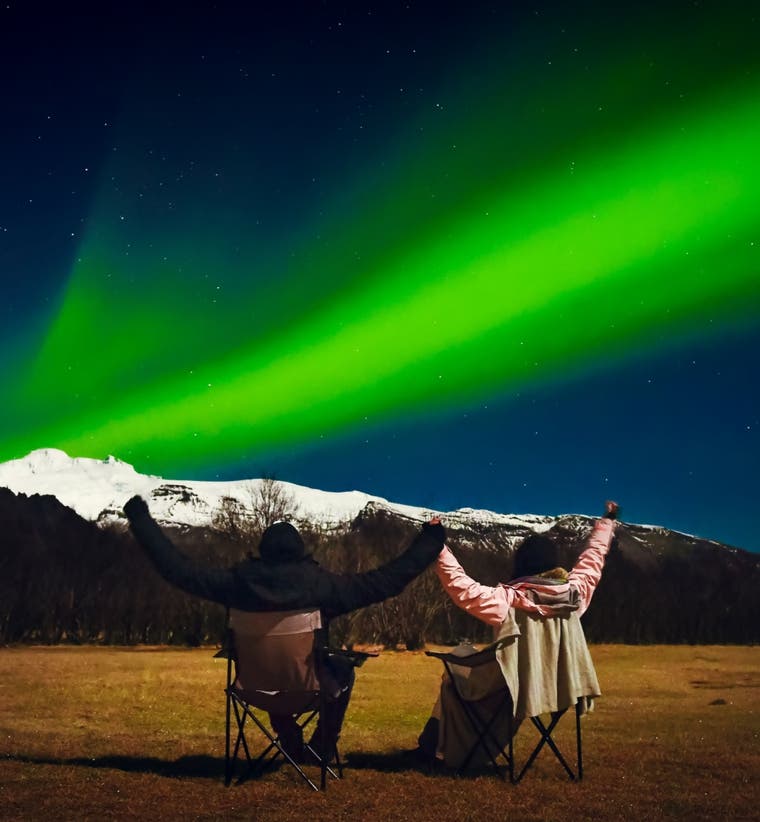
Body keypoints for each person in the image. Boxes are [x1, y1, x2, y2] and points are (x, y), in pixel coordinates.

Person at [123, 496, 445, 760]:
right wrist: (429, 540)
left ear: (263, 552)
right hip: (311, 690)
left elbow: (177, 570)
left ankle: (290, 741)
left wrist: (140, 518)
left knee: (268, 664)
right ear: (300, 551)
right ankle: (321, 749)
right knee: (344, 671)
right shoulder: (321, 586)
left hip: (253, 691)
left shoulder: (237, 583)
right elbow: (385, 581)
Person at [417, 501, 619, 766]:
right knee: (461, 667)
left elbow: (462, 587)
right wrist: (607, 523)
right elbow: (592, 561)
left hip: (512, 688)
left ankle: (434, 747)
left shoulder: (508, 600)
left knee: (456, 664)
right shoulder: (574, 595)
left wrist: (438, 546)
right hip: (559, 687)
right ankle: (445, 747)